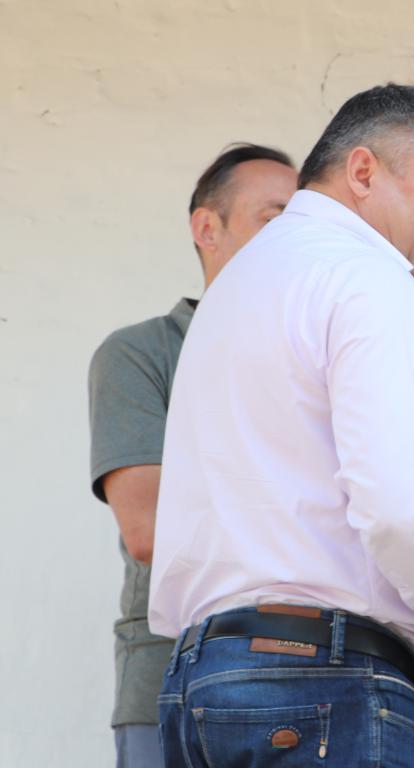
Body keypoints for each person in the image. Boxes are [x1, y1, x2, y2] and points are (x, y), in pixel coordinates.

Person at [148, 84, 414, 768]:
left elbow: (295, 507)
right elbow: (399, 505)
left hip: (201, 686)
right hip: (320, 686)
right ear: (364, 171)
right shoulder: (368, 275)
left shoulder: (237, 285)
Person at [87, 143, 297, 767]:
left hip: (312, 683)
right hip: (170, 680)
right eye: (273, 218)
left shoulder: (321, 359)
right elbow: (150, 529)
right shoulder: (143, 353)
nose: (294, 240)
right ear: (208, 228)